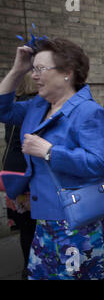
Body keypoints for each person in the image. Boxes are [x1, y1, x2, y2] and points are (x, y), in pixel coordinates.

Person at [0, 38, 104, 280]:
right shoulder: (38, 106)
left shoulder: (88, 112)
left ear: (67, 73)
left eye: (40, 69)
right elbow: (3, 110)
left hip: (76, 220)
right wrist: (16, 70)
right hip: (45, 218)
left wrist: (49, 151)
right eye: (33, 69)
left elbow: (99, 163)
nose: (33, 76)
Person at [1, 73, 37, 279]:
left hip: (12, 169)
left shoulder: (15, 105)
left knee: (25, 225)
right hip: (26, 172)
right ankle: (31, 266)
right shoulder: (33, 108)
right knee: (32, 225)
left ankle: (27, 265)